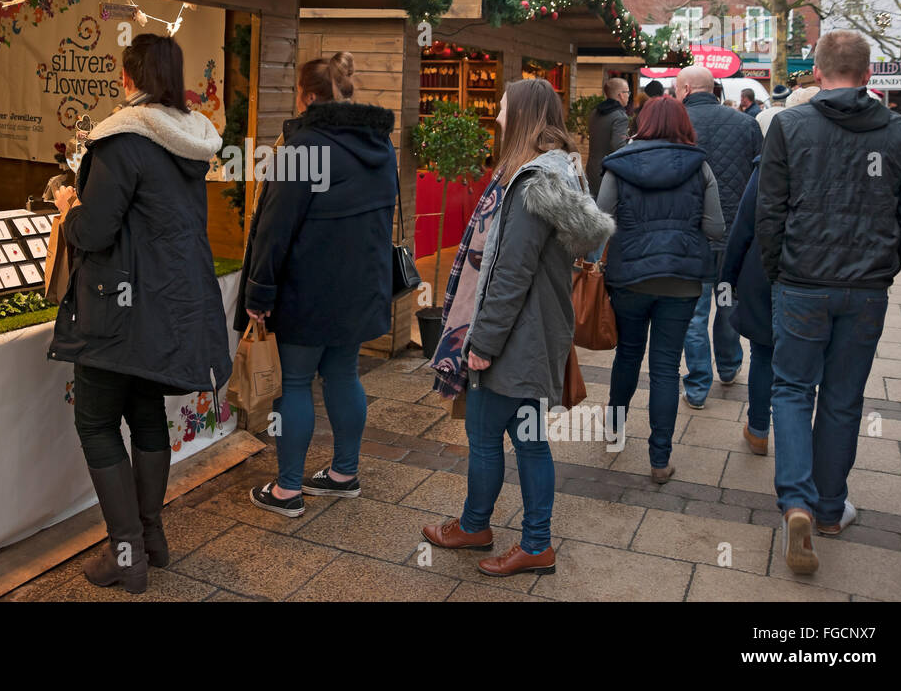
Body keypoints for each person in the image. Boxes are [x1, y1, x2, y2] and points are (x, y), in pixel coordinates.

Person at [48, 33, 230, 594]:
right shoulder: (191, 140)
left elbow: (96, 229)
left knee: (97, 422)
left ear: (128, 79)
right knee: (146, 413)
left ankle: (127, 553)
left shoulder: (121, 140)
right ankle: (150, 538)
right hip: (166, 302)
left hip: (114, 304)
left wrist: (66, 207)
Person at [421, 79, 613, 577]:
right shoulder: (558, 171)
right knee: (528, 438)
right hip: (537, 332)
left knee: (489, 437)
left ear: (523, 114)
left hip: (515, 339)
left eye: (504, 108)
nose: (498, 116)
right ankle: (525, 539)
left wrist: (481, 343)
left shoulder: (531, 183)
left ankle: (488, 530)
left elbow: (511, 273)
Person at [757, 29, 901, 574]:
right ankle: (830, 508)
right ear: (869, 75)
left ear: (817, 72)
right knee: (843, 397)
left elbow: (770, 211)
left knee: (790, 389)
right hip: (864, 290)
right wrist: (885, 264)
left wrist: (778, 269)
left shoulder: (789, 125)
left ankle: (797, 503)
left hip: (802, 283)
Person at [237, 52, 397, 518]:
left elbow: (273, 230)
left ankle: (288, 489)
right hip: (358, 289)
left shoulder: (303, 150)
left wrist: (258, 293)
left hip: (306, 290)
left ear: (306, 96)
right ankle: (345, 472)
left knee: (297, 384)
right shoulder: (381, 145)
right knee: (344, 374)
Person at [597, 97, 724, 482]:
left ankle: (614, 429)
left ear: (642, 122)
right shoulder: (699, 166)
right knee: (667, 367)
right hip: (682, 281)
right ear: (683, 124)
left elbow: (599, 221)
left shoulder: (619, 165)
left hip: (630, 280)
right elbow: (716, 229)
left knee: (628, 354)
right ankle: (659, 460)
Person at [676, 65, 762, 408]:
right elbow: (762, 179)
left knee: (694, 314)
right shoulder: (746, 124)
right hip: (733, 237)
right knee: (727, 304)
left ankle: (697, 384)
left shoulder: (675, 125)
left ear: (683, 89)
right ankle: (728, 365)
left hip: (691, 237)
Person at [720, 156, 773, 455]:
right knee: (806, 365)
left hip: (766, 270)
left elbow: (744, 223)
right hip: (823, 278)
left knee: (764, 355)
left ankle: (758, 431)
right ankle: (803, 438)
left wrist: (729, 276)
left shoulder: (769, 161)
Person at [585, 77, 631, 197]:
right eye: (627, 92)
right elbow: (619, 147)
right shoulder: (620, 117)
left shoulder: (595, 112)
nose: (629, 95)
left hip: (592, 170)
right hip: (608, 173)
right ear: (621, 95)